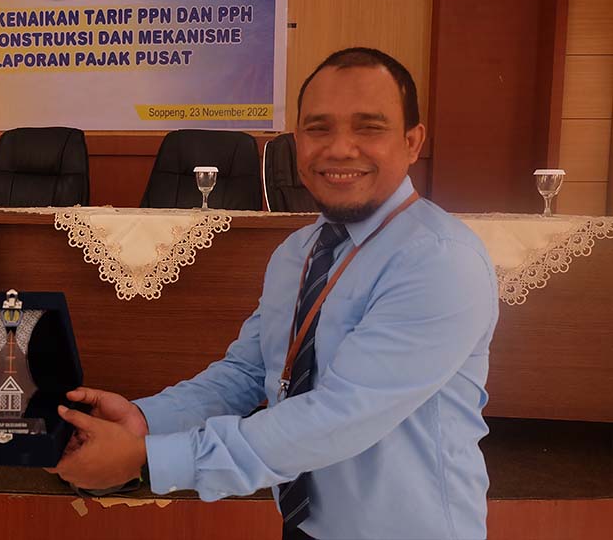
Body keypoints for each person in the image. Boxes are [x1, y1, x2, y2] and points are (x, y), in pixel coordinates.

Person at [51, 48, 499, 540]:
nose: (340, 148)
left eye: (369, 127)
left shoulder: (438, 260)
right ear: (297, 142)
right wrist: (145, 419)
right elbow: (246, 373)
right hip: (304, 524)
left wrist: (149, 459)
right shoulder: (298, 252)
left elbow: (339, 417)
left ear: (412, 142)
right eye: (318, 128)